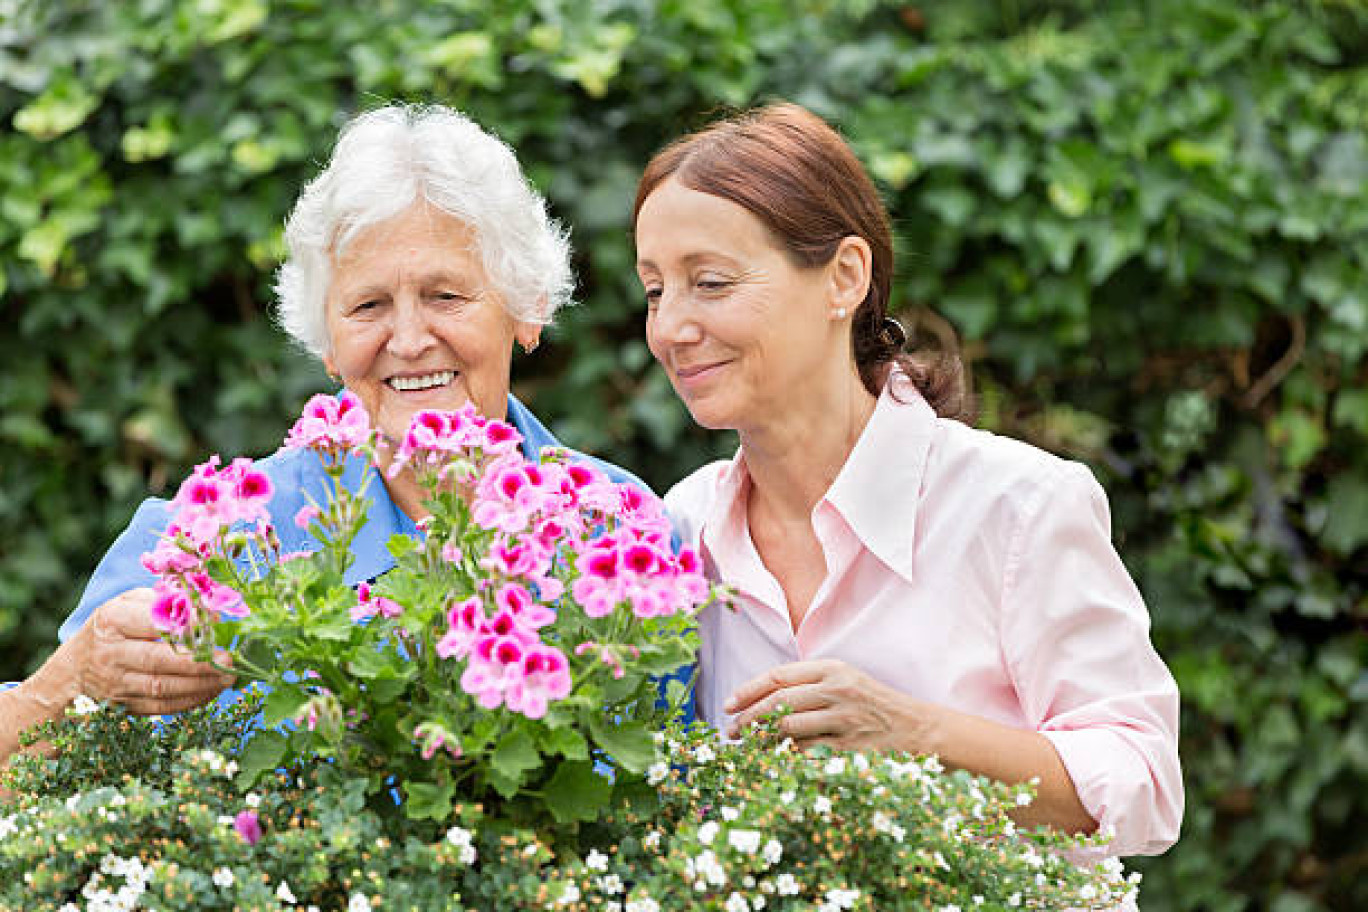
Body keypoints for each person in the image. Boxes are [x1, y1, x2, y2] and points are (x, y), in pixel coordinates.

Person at [1, 104, 649, 765]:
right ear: (328, 345)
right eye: (368, 306)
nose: (409, 339)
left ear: (526, 309)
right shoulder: (210, 543)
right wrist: (60, 689)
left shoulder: (623, 533)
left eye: (446, 297)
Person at [633, 102, 1182, 868]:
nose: (671, 328)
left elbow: (1145, 785)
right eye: (656, 290)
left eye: (711, 282)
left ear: (844, 278)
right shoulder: (678, 527)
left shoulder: (1018, 505)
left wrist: (916, 734)